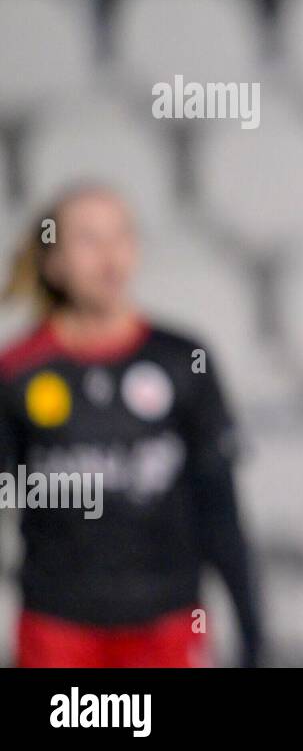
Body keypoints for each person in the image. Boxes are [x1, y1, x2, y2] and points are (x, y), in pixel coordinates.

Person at [0, 180, 263, 667]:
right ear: (53, 262)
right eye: (89, 239)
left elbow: (219, 507)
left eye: (121, 236)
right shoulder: (17, 372)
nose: (109, 255)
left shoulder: (184, 360)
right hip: (57, 624)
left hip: (165, 621)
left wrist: (254, 635)